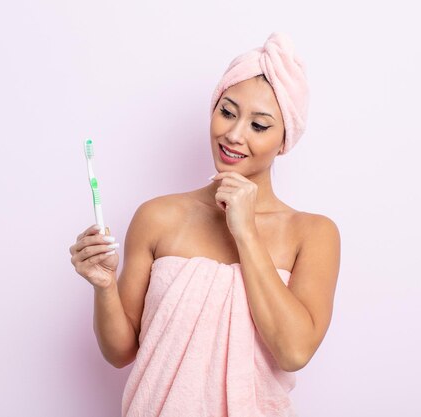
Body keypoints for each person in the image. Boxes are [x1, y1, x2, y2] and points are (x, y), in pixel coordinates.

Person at [69, 32, 341, 417]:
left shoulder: (313, 233)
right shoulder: (157, 217)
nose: (233, 134)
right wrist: (104, 286)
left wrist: (245, 231)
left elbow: (294, 351)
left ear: (285, 141)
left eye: (259, 125)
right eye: (227, 112)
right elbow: (120, 352)